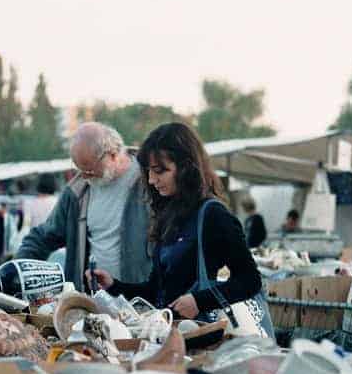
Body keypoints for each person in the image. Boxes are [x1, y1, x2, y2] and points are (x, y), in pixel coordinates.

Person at [89, 122, 261, 321]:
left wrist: (199, 301)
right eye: (148, 172)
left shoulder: (213, 215)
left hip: (203, 336)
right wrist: (113, 285)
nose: (152, 180)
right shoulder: (169, 215)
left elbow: (250, 280)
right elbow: (155, 291)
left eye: (160, 171)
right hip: (170, 334)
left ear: (186, 167)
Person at [17, 123, 151, 291]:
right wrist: (18, 268)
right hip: (92, 302)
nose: (84, 175)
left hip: (142, 304)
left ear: (113, 155)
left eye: (90, 169)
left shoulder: (151, 179)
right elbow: (45, 236)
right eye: (79, 169)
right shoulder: (77, 191)